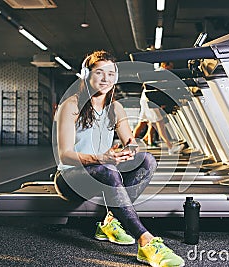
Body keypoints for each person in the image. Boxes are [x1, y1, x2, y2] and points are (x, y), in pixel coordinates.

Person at [54, 50, 184, 267]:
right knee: (108, 170)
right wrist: (101, 157)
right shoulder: (72, 105)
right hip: (70, 178)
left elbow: (131, 141)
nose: (106, 79)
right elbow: (65, 155)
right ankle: (145, 241)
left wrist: (129, 150)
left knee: (147, 160)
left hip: (103, 171)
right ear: (86, 75)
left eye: (111, 73)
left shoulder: (116, 107)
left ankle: (111, 221)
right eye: (99, 73)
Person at [133, 62, 184, 155]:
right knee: (159, 122)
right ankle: (170, 147)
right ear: (164, 65)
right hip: (151, 99)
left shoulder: (157, 73)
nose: (171, 69)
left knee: (144, 123)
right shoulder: (162, 73)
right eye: (170, 66)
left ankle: (130, 144)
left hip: (146, 99)